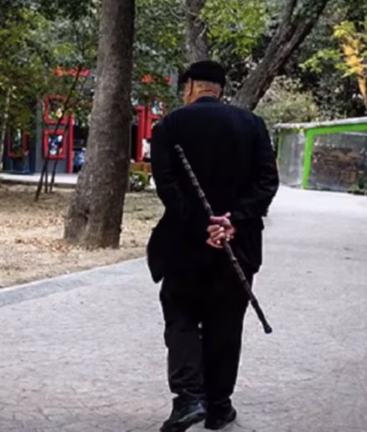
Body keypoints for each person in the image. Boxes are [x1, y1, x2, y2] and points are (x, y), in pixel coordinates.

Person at [146, 60, 279, 432]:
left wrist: (202, 225)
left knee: (182, 318)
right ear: (221, 89)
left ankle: (189, 398)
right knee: (226, 325)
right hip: (239, 246)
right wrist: (233, 222)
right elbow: (267, 183)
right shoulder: (252, 125)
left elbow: (168, 187)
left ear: (189, 86)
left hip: (184, 244)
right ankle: (219, 407)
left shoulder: (168, 126)